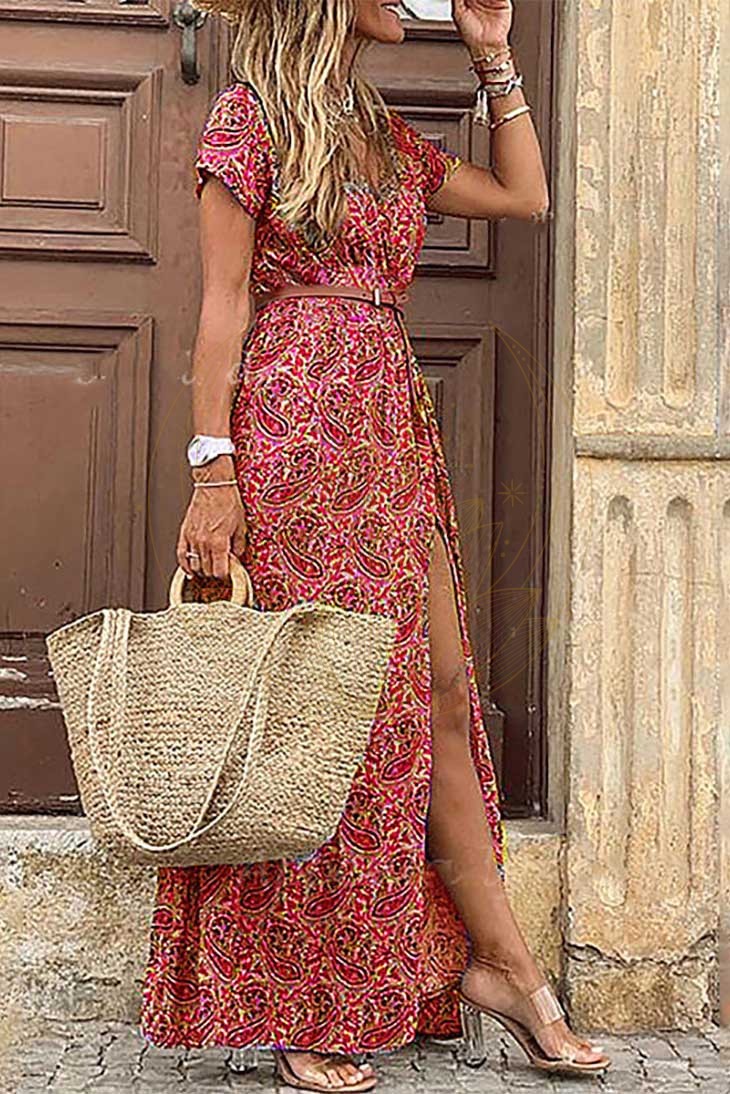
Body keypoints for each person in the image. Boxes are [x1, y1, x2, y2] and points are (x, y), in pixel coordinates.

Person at [139, 0, 611, 1088]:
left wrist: (495, 55)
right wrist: (214, 474)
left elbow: (524, 196)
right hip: (295, 433)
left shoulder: (378, 132)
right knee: (318, 711)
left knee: (438, 690)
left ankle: (502, 966)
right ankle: (306, 997)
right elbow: (222, 305)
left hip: (389, 427)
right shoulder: (248, 119)